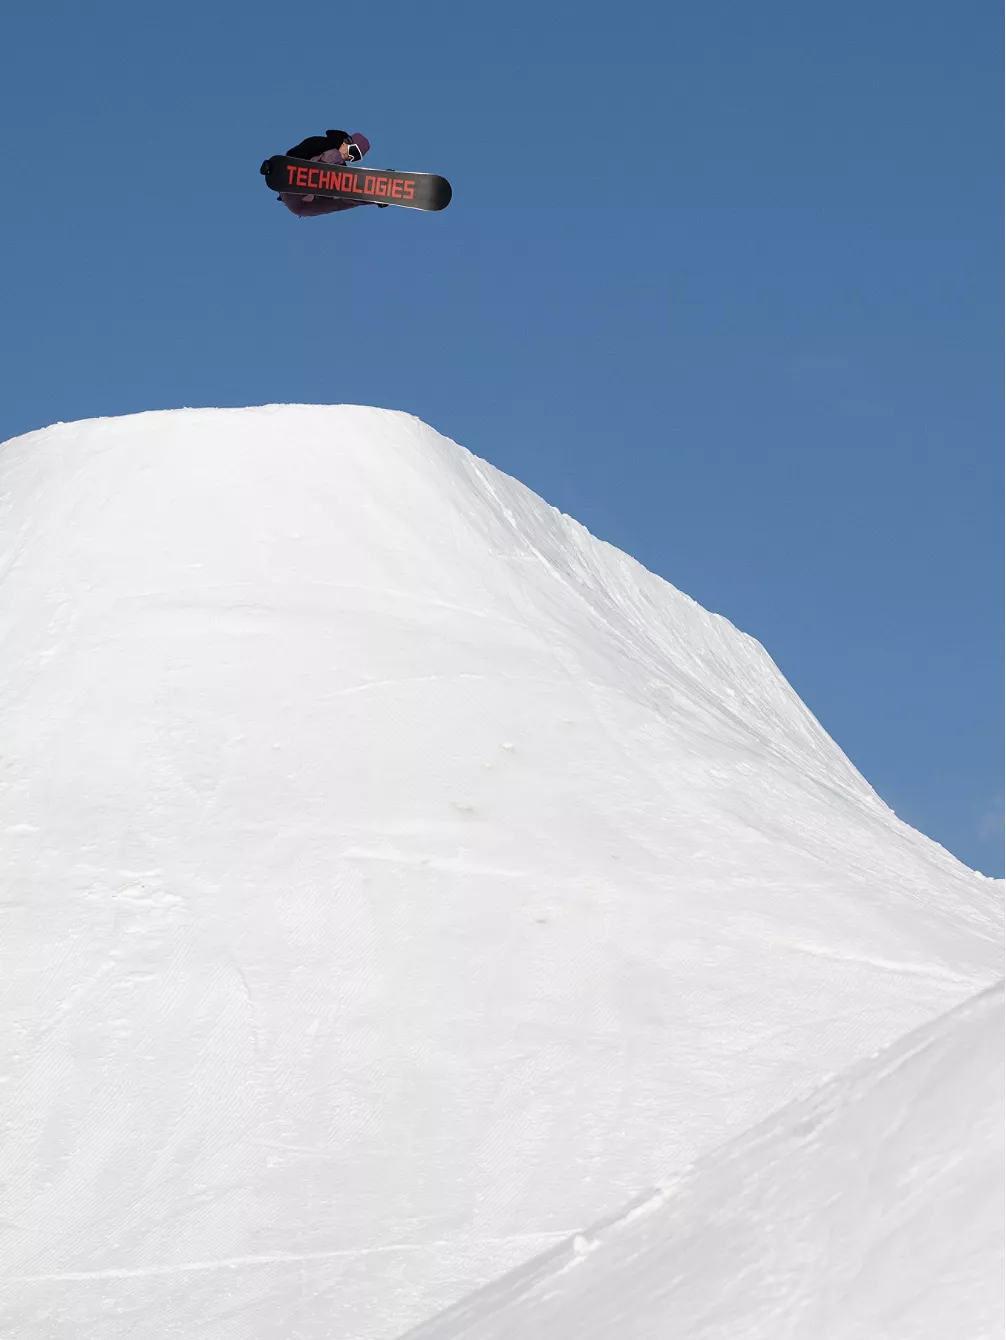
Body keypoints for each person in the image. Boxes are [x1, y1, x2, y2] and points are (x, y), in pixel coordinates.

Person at [277, 130, 376, 218]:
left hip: (302, 205)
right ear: (346, 142)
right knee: (336, 159)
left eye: (356, 158)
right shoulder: (323, 144)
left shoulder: (341, 166)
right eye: (354, 152)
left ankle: (373, 196)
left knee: (343, 197)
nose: (351, 157)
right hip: (295, 185)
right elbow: (294, 154)